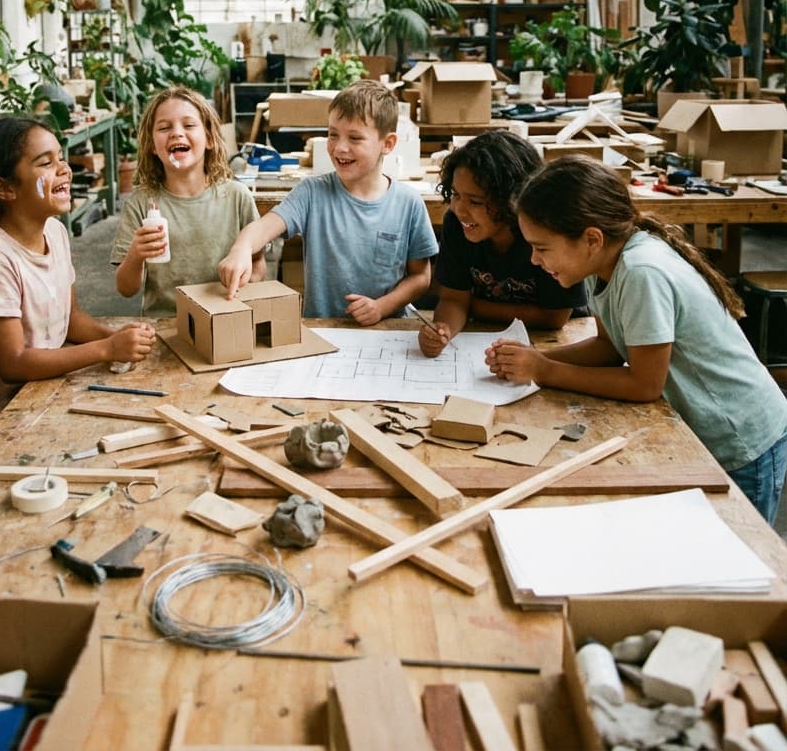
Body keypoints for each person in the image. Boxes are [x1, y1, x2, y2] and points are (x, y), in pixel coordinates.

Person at [486, 156, 787, 524]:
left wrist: (544, 370)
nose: (534, 260)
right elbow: (609, 348)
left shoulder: (642, 271)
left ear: (591, 239)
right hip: (707, 431)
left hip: (738, 439)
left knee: (740, 548)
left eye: (542, 248)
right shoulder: (600, 263)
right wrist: (533, 359)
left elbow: (644, 384)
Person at [0, 117, 156, 463]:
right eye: (46, 163)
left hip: (37, 403)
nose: (64, 169)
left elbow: (69, 319)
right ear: (4, 188)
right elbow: (13, 363)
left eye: (61, 157)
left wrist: (117, 339)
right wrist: (105, 349)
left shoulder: (55, 233)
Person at [219, 79, 437, 323]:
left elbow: (421, 277)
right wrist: (241, 249)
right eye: (333, 134)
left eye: (355, 138)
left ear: (387, 144)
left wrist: (381, 307)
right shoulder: (312, 193)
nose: (340, 147)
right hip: (323, 329)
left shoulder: (409, 204)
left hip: (387, 329)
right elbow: (264, 227)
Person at [418, 130, 586, 358]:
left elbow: (555, 317)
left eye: (475, 201)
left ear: (512, 200)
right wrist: (443, 330)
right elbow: (453, 299)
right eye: (455, 195)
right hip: (482, 341)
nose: (459, 210)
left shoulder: (545, 233)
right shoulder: (458, 224)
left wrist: (472, 306)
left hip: (553, 343)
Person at [111, 86, 266, 317]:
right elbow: (126, 289)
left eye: (189, 125)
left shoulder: (237, 197)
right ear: (152, 145)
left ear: (210, 139)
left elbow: (258, 264)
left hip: (225, 318)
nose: (176, 133)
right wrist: (136, 254)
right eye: (164, 127)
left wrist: (243, 279)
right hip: (165, 322)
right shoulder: (141, 203)